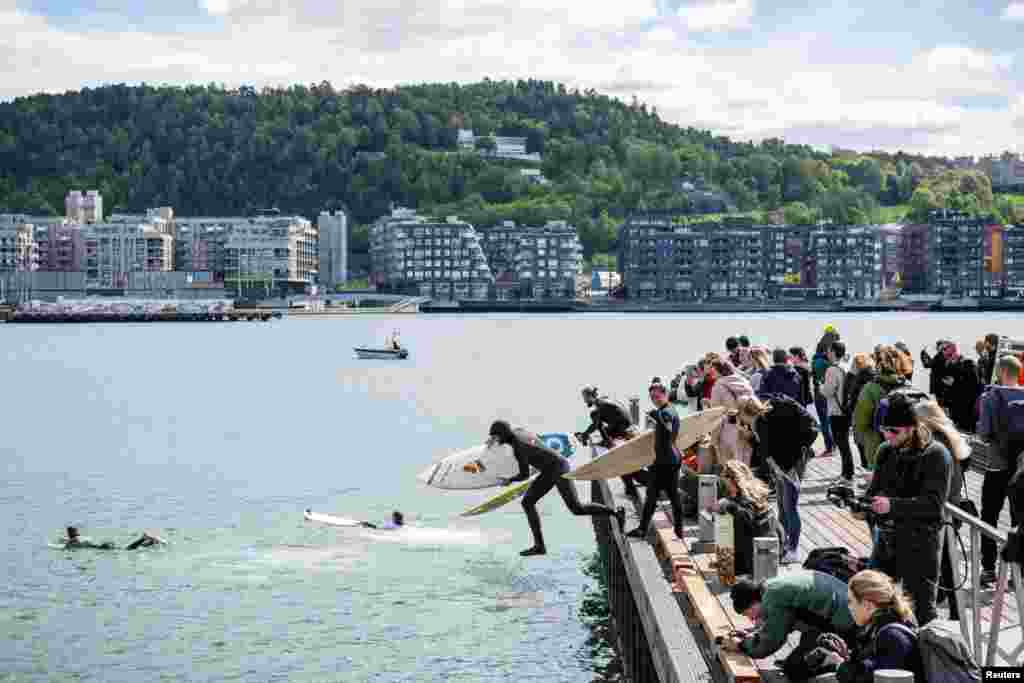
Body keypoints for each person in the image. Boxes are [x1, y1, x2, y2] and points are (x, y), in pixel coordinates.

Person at [864, 392, 953, 626]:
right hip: (887, 540)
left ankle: (929, 657)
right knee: (874, 599)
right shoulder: (885, 450)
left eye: (894, 431)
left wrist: (892, 506)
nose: (888, 435)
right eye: (884, 429)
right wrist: (862, 505)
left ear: (912, 428)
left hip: (920, 543)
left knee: (922, 609)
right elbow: (875, 491)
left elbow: (933, 505)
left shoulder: (936, 454)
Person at [488, 420, 625, 556]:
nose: (494, 439)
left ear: (503, 434)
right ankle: (539, 546)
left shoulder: (519, 448)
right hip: (549, 469)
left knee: (577, 508)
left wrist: (509, 480)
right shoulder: (519, 431)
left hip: (558, 468)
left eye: (495, 437)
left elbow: (524, 475)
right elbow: (535, 440)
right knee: (527, 502)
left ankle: (615, 513)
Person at [736, 395, 817, 564]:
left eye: (739, 413)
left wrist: (749, 438)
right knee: (783, 505)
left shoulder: (760, 423)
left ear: (744, 413)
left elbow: (764, 451)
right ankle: (784, 543)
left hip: (789, 466)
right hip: (788, 463)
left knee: (789, 506)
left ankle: (793, 549)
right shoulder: (769, 411)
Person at [914, 398, 971, 613]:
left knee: (944, 564)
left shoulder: (933, 443)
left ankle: (955, 613)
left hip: (940, 511)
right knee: (948, 562)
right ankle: (953, 610)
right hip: (950, 508)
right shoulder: (950, 436)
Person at [722, 570, 857, 660]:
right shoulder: (771, 587)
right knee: (794, 662)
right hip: (844, 611)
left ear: (754, 602)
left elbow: (771, 641)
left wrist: (741, 645)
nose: (750, 618)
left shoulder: (774, 598)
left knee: (796, 670)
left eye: (748, 613)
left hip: (848, 626)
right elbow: (784, 620)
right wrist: (752, 633)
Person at [822, 570, 924, 683]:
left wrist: (839, 665)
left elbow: (871, 678)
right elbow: (870, 668)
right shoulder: (881, 628)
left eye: (850, 602)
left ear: (868, 605)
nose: (849, 607)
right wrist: (846, 657)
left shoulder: (892, 636)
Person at [977, 354, 1024, 586]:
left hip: (997, 465)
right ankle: (1019, 574)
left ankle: (988, 569)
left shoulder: (990, 396)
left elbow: (984, 433)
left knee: (989, 517)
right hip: (1021, 469)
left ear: (1002, 372)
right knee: (1020, 519)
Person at [626, 379, 685, 540]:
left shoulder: (665, 412)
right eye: (652, 398)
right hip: (671, 458)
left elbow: (668, 428)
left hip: (665, 462)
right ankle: (679, 530)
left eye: (657, 397)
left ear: (665, 395)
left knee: (653, 496)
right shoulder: (671, 409)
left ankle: (642, 529)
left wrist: (658, 417)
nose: (654, 400)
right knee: (672, 495)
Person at [708, 461, 782, 576]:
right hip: (773, 550)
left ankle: (727, 566)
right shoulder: (757, 492)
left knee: (722, 523)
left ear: (732, 480)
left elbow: (741, 535)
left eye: (725, 480)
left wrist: (721, 509)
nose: (725, 484)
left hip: (752, 559)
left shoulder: (740, 505)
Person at [576, 385, 646, 498]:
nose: (584, 400)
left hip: (625, 433)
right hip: (629, 428)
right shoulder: (604, 400)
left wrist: (584, 435)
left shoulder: (598, 408)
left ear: (589, 396)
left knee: (620, 463)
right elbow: (605, 423)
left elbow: (596, 425)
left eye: (584, 397)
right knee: (624, 464)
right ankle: (630, 488)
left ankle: (632, 488)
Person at [852, 346, 909, 472]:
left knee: (881, 486)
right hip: (907, 447)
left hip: (878, 446)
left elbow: (861, 422)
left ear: (878, 365)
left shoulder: (870, 388)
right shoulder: (909, 386)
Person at [707, 355, 756, 467]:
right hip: (746, 429)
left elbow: (716, 417)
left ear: (718, 371)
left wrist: (713, 440)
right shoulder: (744, 382)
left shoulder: (718, 387)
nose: (712, 375)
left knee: (732, 471)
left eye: (713, 371)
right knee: (745, 469)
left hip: (728, 432)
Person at [823, 341, 854, 483]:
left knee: (841, 443)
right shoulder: (846, 367)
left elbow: (828, 391)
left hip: (836, 411)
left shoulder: (832, 370)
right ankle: (848, 471)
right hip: (847, 409)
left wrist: (819, 388)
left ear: (834, 352)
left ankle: (847, 474)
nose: (827, 354)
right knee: (845, 443)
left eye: (829, 351)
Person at [842, 352, 877, 472]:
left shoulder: (856, 377)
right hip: (875, 417)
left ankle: (866, 468)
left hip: (860, 415)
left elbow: (852, 398)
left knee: (861, 444)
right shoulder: (875, 375)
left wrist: (849, 411)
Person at [941, 342, 981, 433]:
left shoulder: (968, 363)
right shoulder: (950, 364)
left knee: (964, 430)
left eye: (950, 355)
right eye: (946, 356)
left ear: (956, 352)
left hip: (966, 407)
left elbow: (973, 384)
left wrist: (954, 383)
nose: (949, 358)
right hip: (955, 405)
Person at [813, 327, 841, 457]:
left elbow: (817, 376)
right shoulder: (829, 361)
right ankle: (833, 446)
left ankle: (830, 447)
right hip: (832, 391)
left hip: (821, 391)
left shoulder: (818, 358)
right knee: (831, 419)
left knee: (824, 420)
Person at [61, 526, 164, 551]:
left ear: (69, 534)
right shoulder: (80, 538)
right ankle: (150, 542)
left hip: (101, 548)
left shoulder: (72, 541)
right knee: (125, 549)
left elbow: (66, 547)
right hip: (102, 544)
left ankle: (143, 538)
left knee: (126, 550)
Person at [920, 340, 951, 406]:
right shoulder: (945, 356)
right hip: (944, 385)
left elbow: (928, 364)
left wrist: (923, 354)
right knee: (945, 405)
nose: (937, 348)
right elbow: (931, 363)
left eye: (938, 346)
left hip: (940, 385)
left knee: (943, 405)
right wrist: (925, 355)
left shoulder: (940, 356)